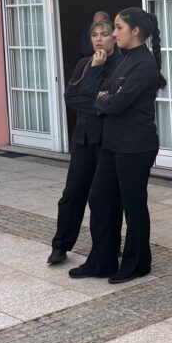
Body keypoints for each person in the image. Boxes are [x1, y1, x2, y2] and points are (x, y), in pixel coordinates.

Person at [69, 7, 166, 284]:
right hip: (111, 143)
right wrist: (104, 94)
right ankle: (102, 260)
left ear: (135, 31)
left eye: (118, 28)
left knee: (133, 206)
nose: (113, 34)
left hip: (135, 146)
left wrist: (105, 98)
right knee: (100, 198)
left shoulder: (144, 64)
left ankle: (138, 263)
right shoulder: (124, 59)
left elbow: (116, 103)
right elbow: (96, 93)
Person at [47, 18, 119, 264]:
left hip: (107, 141)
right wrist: (99, 105)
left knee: (105, 198)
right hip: (83, 138)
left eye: (104, 34)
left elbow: (111, 101)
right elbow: (71, 98)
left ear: (114, 37)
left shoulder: (120, 64)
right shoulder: (84, 63)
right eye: (94, 35)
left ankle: (107, 247)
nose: (99, 39)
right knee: (72, 194)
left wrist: (98, 74)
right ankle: (60, 245)